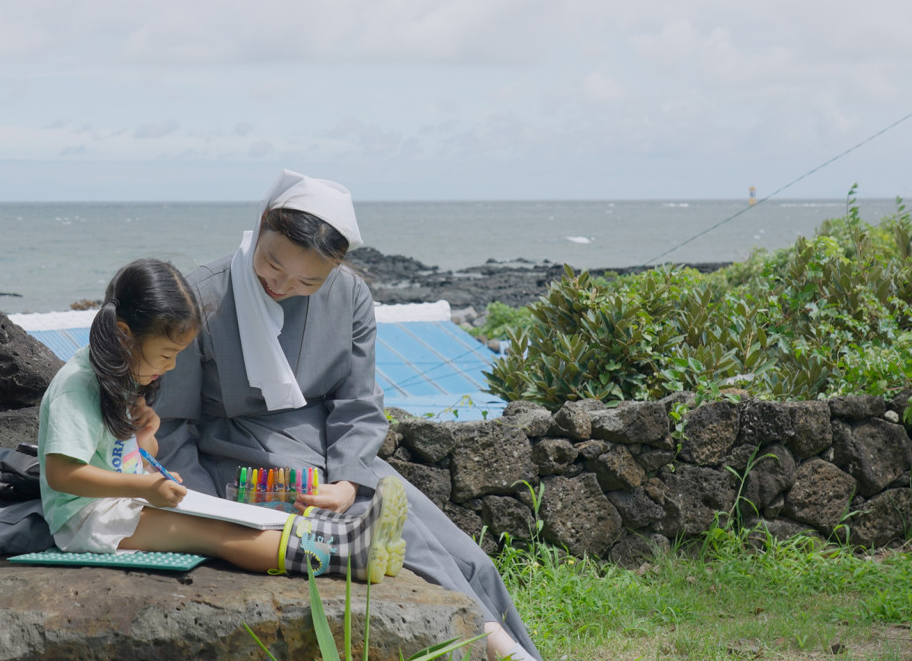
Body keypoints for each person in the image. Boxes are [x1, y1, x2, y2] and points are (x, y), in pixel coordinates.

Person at [154, 171, 544, 661]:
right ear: (261, 223)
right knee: (413, 547)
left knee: (470, 558)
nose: (282, 285)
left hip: (337, 452)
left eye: (308, 281)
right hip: (243, 457)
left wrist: (349, 479)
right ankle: (501, 650)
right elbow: (172, 422)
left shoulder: (351, 295)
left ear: (335, 268)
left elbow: (357, 403)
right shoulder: (201, 297)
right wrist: (208, 512)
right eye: (272, 264)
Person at [38, 257, 407, 583]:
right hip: (88, 519)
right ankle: (346, 557)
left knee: (242, 516)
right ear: (124, 334)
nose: (172, 366)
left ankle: (351, 533)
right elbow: (61, 474)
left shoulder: (122, 373)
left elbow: (127, 456)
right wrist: (143, 488)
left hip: (125, 503)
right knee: (217, 533)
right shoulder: (77, 386)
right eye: (166, 355)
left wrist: (145, 435)